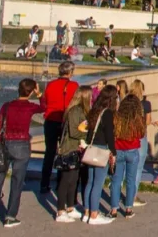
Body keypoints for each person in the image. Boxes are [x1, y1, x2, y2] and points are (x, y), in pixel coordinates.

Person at [0, 78, 45, 228]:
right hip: (22, 145)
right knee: (17, 182)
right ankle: (10, 216)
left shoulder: (7, 106)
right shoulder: (30, 107)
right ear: (31, 92)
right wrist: (40, 94)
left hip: (5, 144)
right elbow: (44, 107)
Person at [55, 85, 94, 222]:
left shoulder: (80, 110)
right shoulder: (75, 111)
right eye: (90, 96)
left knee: (73, 179)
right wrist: (88, 133)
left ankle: (70, 207)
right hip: (70, 148)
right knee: (66, 180)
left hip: (76, 149)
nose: (91, 98)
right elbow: (74, 131)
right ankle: (60, 211)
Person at [41, 61, 79, 193]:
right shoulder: (74, 85)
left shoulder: (50, 85)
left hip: (50, 120)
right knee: (65, 153)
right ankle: (60, 184)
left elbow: (44, 102)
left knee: (49, 152)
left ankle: (44, 184)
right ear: (70, 72)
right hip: (65, 121)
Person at [108, 90, 147, 218]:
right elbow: (141, 134)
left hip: (118, 150)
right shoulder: (137, 120)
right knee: (130, 181)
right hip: (132, 151)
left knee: (116, 180)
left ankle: (114, 209)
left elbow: (113, 134)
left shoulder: (117, 118)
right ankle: (128, 209)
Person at [83, 86, 119, 225]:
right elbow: (109, 135)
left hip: (91, 148)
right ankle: (94, 214)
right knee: (98, 183)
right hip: (101, 149)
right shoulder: (108, 113)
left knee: (90, 182)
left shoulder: (94, 110)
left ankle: (86, 211)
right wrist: (113, 152)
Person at [129, 80, 152, 203]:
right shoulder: (146, 104)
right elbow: (148, 121)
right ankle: (133, 196)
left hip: (128, 136)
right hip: (141, 135)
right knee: (138, 167)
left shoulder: (126, 102)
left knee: (127, 166)